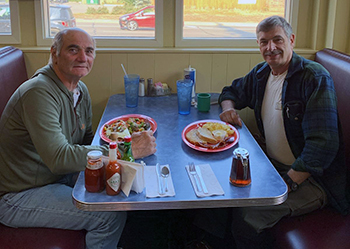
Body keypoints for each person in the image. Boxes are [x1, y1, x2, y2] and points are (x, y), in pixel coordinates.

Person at [0, 28, 156, 249]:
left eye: (89, 51)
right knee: (108, 215)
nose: (83, 57)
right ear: (54, 53)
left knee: (123, 191)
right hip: (19, 195)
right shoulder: (38, 93)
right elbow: (59, 158)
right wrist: (124, 151)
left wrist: (117, 151)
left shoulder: (79, 89)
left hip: (57, 178)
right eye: (73, 50)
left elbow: (87, 141)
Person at [218, 16, 349, 248]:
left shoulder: (314, 78)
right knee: (223, 188)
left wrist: (287, 183)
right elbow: (231, 91)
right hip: (272, 166)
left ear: (291, 39)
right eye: (263, 42)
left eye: (277, 40)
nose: (270, 48)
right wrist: (228, 110)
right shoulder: (262, 73)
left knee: (248, 216)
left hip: (313, 180)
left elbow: (323, 145)